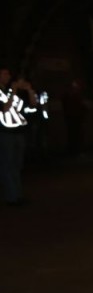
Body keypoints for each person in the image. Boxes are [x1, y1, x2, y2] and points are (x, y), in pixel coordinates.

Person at [0, 67, 29, 205]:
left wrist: (27, 90)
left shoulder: (8, 90)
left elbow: (28, 106)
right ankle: (12, 196)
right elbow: (5, 107)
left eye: (8, 73)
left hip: (17, 131)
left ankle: (17, 194)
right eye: (4, 73)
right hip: (5, 132)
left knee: (16, 165)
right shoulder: (3, 92)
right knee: (8, 164)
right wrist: (14, 90)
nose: (8, 76)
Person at [62, 78, 87, 157]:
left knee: (75, 135)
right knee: (74, 135)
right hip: (73, 117)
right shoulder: (71, 96)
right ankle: (74, 151)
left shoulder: (73, 96)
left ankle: (75, 151)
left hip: (75, 117)